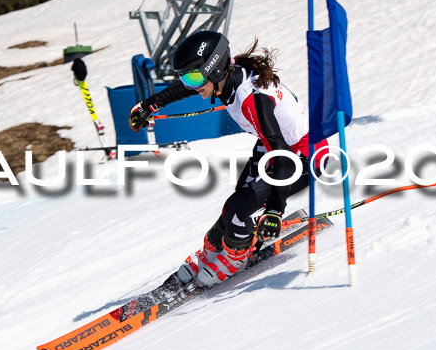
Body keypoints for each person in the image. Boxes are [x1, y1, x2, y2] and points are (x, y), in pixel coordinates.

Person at [129, 30, 328, 287]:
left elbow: (283, 158)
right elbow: (190, 87)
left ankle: (235, 257)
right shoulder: (228, 76)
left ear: (214, 69)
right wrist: (151, 105)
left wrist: (275, 210)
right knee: (237, 200)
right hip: (277, 147)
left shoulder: (252, 100)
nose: (191, 85)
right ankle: (215, 247)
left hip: (304, 157)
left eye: (194, 77)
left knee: (237, 210)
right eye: (186, 78)